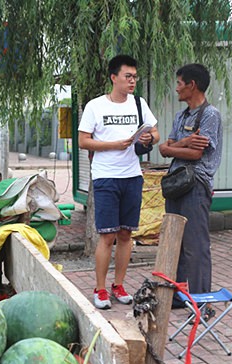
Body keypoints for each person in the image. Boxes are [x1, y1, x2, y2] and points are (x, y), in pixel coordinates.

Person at [78, 54, 160, 310]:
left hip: (132, 176)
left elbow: (155, 132)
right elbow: (83, 140)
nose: (132, 81)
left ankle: (119, 285)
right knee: (107, 236)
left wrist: (149, 139)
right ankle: (100, 289)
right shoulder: (95, 106)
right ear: (114, 78)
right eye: (128, 76)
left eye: (135, 77)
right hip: (105, 177)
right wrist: (114, 145)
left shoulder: (139, 104)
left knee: (126, 235)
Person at [158, 64, 222, 314]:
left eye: (179, 83)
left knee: (196, 245)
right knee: (175, 240)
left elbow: (195, 153)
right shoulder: (181, 116)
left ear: (191, 85)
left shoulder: (210, 115)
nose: (176, 88)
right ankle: (178, 295)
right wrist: (180, 143)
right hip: (176, 184)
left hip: (196, 185)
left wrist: (172, 147)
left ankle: (201, 302)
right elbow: (168, 146)